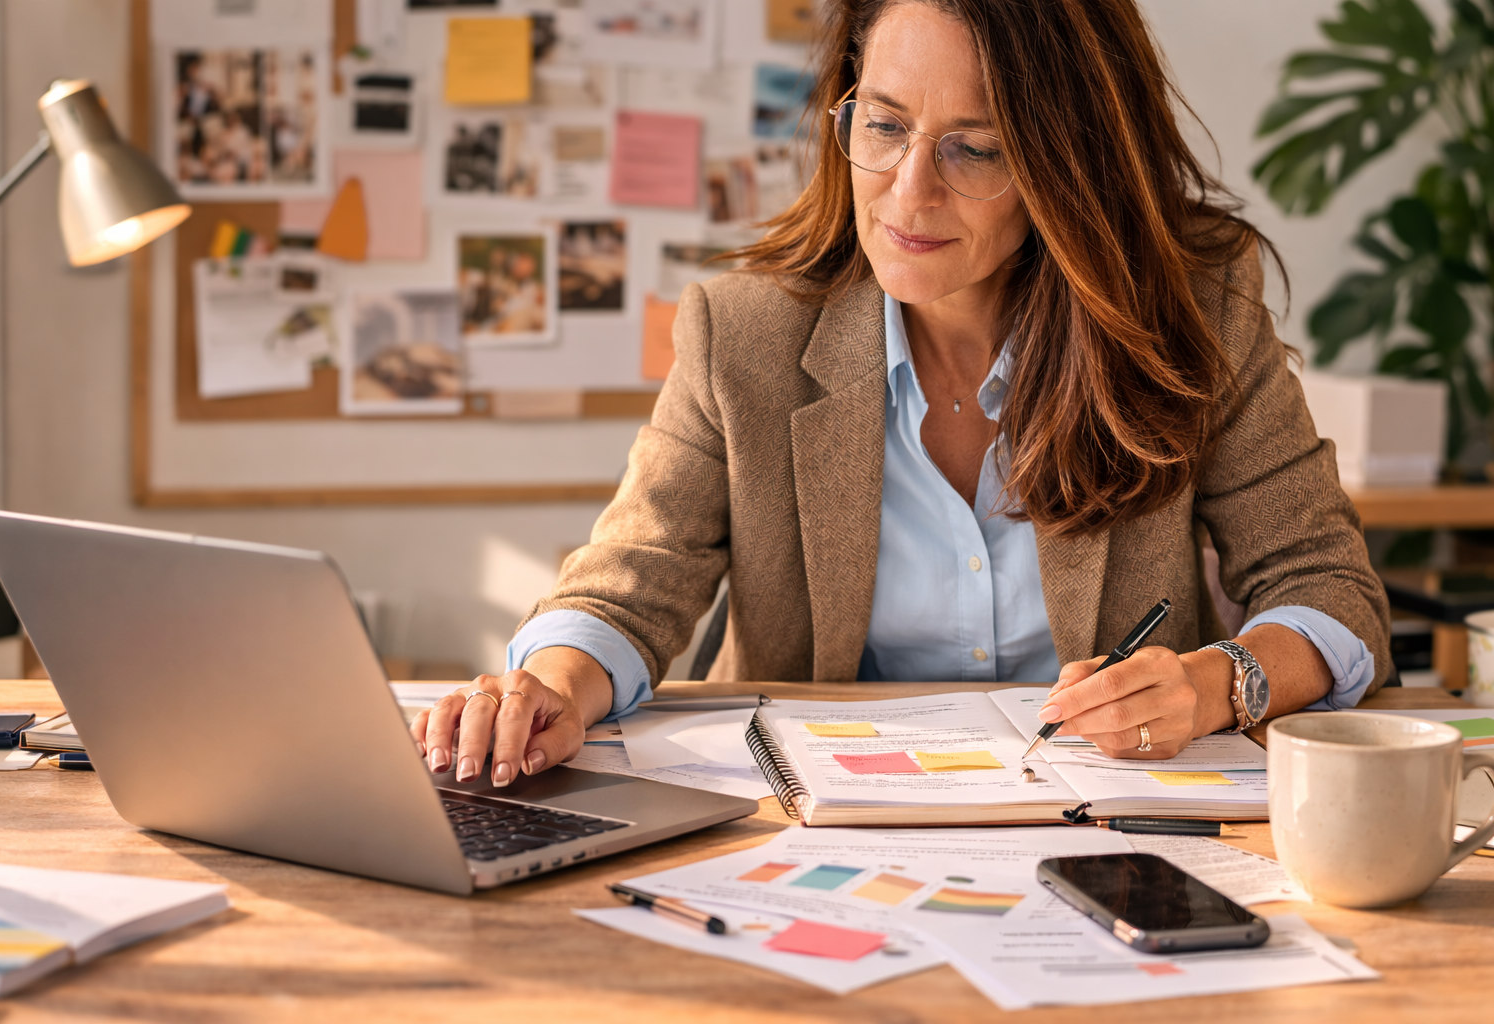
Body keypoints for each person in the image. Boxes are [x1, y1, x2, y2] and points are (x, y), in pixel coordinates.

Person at [413, 0, 1391, 789]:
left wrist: (1220, 683)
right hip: (810, 832)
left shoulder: (1193, 309)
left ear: (1069, 162)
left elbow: (1329, 586)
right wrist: (552, 685)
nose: (908, 191)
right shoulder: (743, 334)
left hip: (1111, 822)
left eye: (977, 148)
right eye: (883, 126)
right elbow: (633, 578)